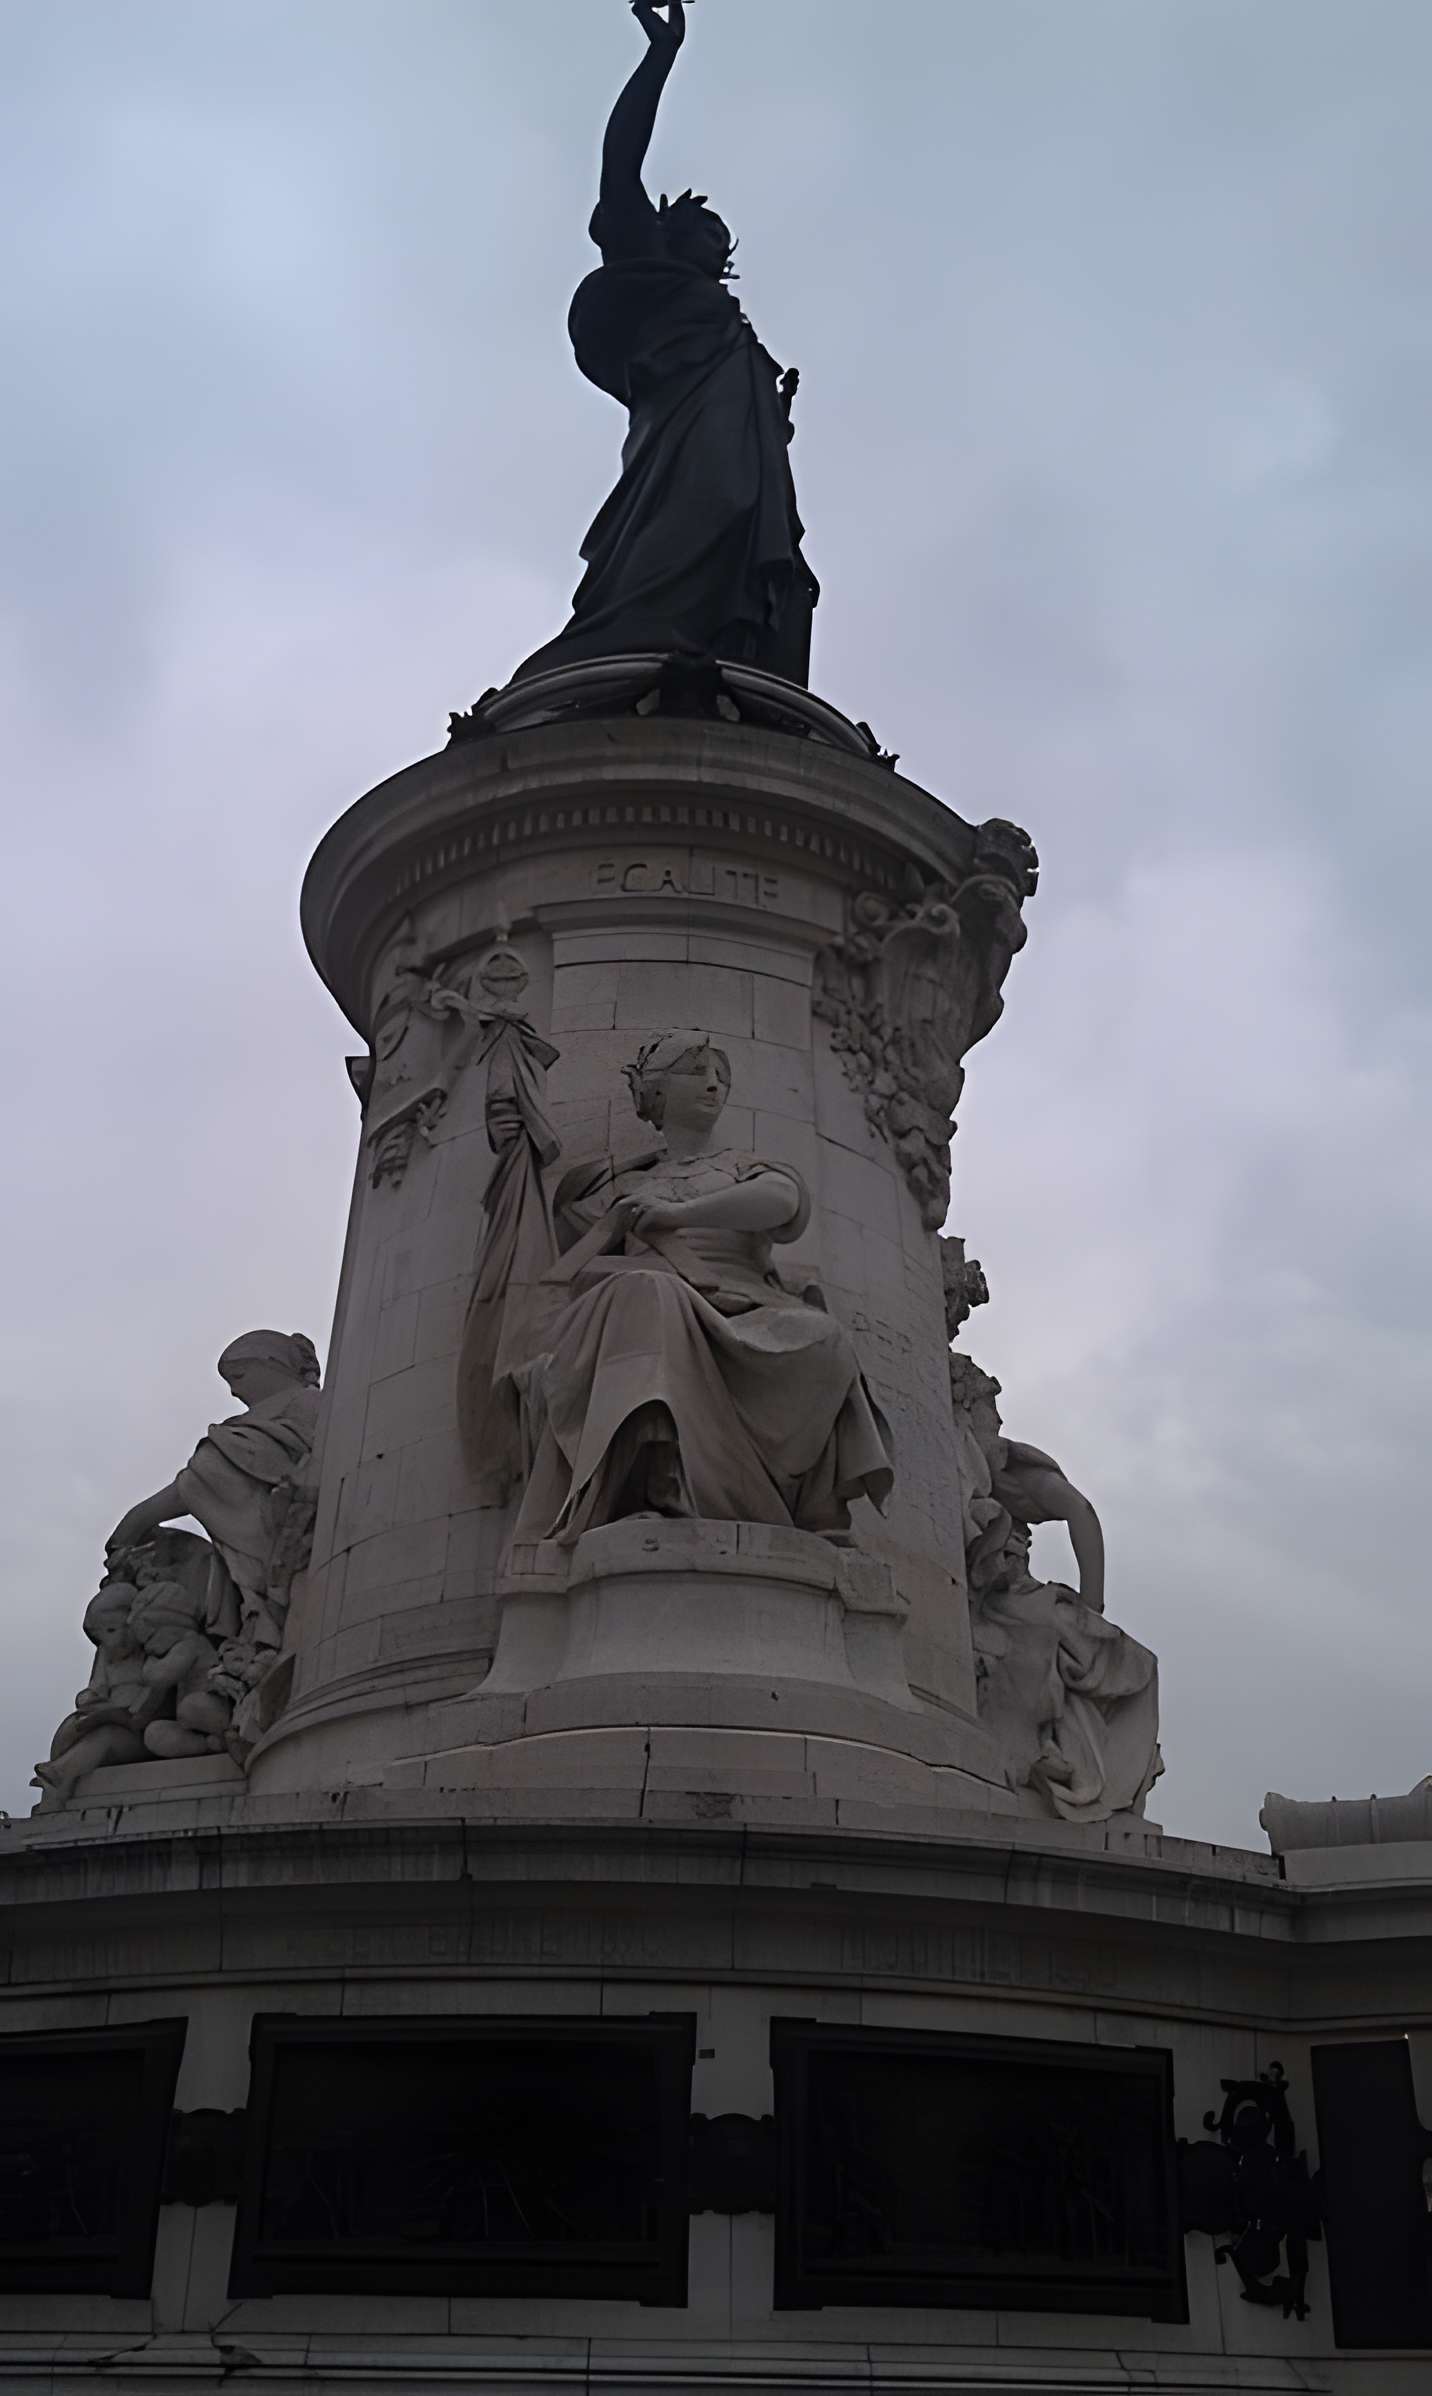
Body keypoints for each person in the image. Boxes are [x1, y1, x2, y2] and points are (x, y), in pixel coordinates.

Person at [515, 0, 818, 683]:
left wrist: (771, 420)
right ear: (668, 233)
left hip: (744, 456)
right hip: (675, 446)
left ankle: (721, 658)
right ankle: (638, 635)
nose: (714, 244)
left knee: (743, 527)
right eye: (701, 231)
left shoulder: (730, 326)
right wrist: (660, 58)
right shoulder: (645, 266)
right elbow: (619, 163)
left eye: (722, 242)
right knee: (700, 510)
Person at [512, 1035, 892, 1542]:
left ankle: (809, 1503)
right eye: (696, 1071)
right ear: (656, 1092)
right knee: (649, 1296)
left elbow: (782, 1202)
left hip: (744, 1307)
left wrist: (679, 1212)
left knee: (821, 1336)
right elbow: (558, 1253)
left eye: (721, 1075)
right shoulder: (615, 1183)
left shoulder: (740, 1167)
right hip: (645, 1302)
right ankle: (653, 1485)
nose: (714, 1085)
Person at [106, 1330, 321, 1650]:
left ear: (271, 1364)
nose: (234, 1391)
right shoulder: (241, 1432)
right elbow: (198, 1482)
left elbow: (202, 1480)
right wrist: (139, 1520)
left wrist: (139, 1519)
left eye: (238, 1376)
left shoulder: (312, 1403)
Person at [973, 1524, 1161, 1825]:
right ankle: (1061, 1756)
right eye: (1007, 1550)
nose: (1011, 1558)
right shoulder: (1031, 1604)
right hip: (1018, 1620)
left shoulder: (1044, 1603)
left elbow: (1077, 1512)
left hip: (1034, 1617)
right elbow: (1077, 1511)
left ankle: (1070, 1759)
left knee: (1125, 1668)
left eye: (1017, 1549)